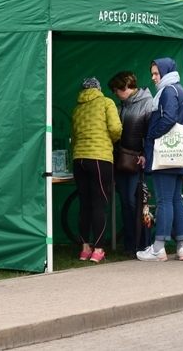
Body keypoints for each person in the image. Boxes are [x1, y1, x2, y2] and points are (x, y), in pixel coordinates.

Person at [137, 58, 183, 261]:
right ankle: (182, 246)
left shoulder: (168, 91)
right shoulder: (180, 90)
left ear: (165, 72)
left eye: (156, 74)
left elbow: (168, 118)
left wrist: (152, 135)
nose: (153, 78)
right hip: (179, 153)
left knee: (164, 200)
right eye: (152, 74)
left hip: (164, 153)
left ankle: (158, 247)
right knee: (176, 199)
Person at [70, 77, 122, 264]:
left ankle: (84, 249)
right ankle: (98, 249)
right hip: (100, 159)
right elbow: (115, 128)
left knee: (85, 205)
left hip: (79, 159)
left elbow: (74, 138)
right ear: (98, 89)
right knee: (99, 204)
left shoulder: (77, 109)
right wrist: (112, 139)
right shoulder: (107, 102)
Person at [109, 71, 153, 255]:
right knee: (126, 202)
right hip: (121, 160)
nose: (115, 94)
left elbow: (151, 133)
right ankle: (130, 244)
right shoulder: (121, 106)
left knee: (134, 202)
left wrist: (145, 154)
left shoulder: (148, 103)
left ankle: (142, 243)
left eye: (116, 90)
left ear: (125, 87)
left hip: (136, 160)